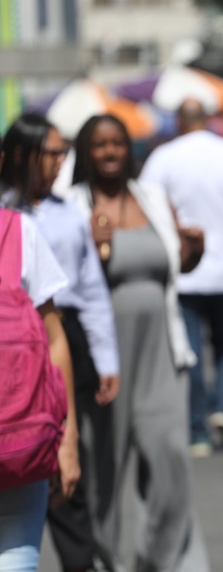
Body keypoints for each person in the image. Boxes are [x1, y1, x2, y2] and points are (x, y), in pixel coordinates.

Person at [66, 114, 210, 572]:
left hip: (161, 353)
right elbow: (64, 287)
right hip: (103, 359)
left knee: (170, 461)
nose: (110, 152)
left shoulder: (152, 198)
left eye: (117, 144)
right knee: (103, 469)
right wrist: (91, 245)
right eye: (99, 145)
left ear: (129, 149)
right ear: (86, 153)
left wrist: (193, 250)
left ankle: (164, 561)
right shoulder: (71, 207)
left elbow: (175, 269)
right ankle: (110, 561)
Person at [0, 113, 120, 572]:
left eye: (61, 152)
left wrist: (66, 438)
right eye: (50, 152)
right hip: (30, 387)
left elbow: (89, 294)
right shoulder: (17, 225)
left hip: (37, 382)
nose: (58, 162)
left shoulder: (56, 217)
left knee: (65, 503)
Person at [140, 98, 223, 454]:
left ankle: (197, 427)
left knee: (191, 348)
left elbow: (144, 209)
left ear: (179, 122)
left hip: (182, 271)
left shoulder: (163, 158)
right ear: (208, 120)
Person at [0, 144, 80, 572]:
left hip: (21, 446)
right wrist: (68, 442)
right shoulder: (17, 232)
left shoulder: (21, 231)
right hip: (21, 443)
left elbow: (55, 345)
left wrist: (69, 439)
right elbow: (55, 341)